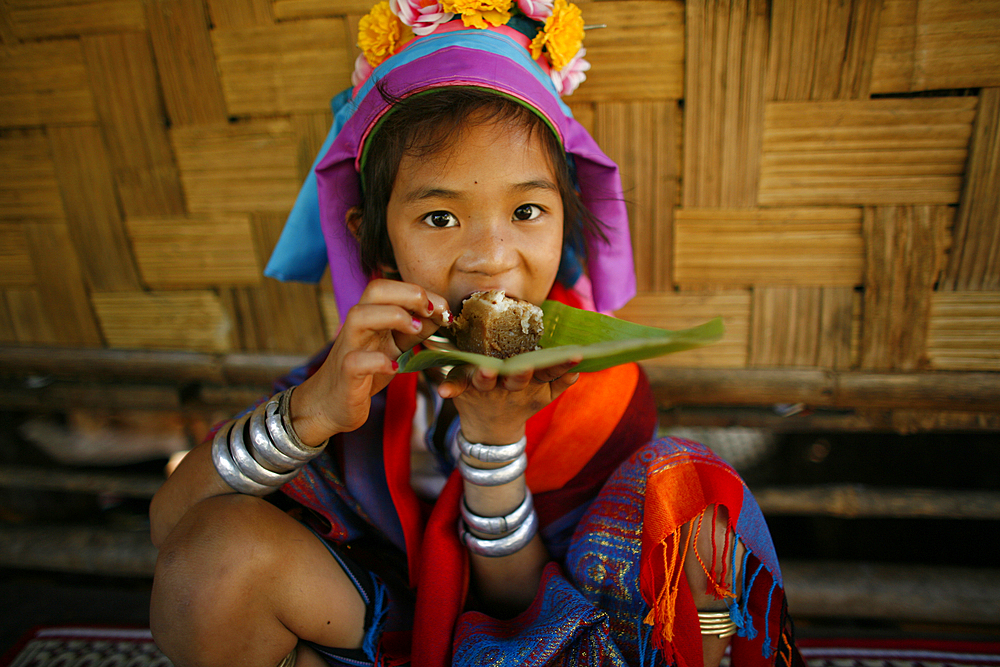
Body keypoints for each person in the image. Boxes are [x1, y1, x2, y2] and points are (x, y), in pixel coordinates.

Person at [148, 2, 802, 666]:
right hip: (378, 627)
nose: (491, 256)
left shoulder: (599, 392)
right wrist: (312, 411)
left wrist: (493, 446)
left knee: (690, 500)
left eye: (526, 210)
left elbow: (519, 612)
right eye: (439, 217)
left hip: (557, 645)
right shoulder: (361, 371)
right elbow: (172, 525)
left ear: (565, 221)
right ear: (373, 240)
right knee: (215, 563)